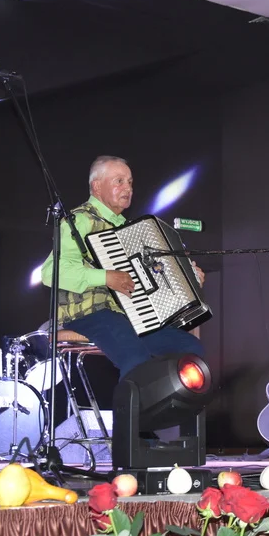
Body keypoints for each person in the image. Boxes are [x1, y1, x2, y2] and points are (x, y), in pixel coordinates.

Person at [40, 156, 205, 379]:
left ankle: (168, 412)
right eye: (119, 181)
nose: (127, 187)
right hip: (90, 313)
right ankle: (132, 414)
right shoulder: (79, 220)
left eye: (129, 182)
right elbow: (51, 272)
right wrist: (105, 277)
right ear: (97, 186)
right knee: (136, 360)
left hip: (131, 316)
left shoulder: (128, 228)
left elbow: (152, 277)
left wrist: (188, 278)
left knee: (191, 350)